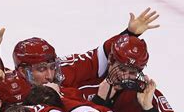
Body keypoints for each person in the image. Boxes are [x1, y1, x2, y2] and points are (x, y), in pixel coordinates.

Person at [12, 7, 160, 87]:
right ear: (24, 72)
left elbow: (103, 55)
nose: (50, 75)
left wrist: (129, 34)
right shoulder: (11, 88)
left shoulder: (66, 71)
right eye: (42, 69)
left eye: (52, 67)